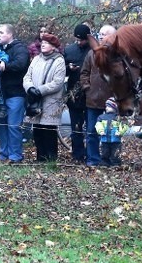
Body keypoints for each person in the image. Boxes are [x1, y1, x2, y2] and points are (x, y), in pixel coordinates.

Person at [23, 33, 66, 162]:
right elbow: (27, 77)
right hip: (35, 102)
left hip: (50, 102)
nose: (43, 44)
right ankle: (40, 158)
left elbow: (57, 83)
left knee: (49, 131)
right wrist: (30, 88)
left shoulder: (59, 61)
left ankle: (51, 160)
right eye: (42, 42)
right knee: (37, 131)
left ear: (53, 47)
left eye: (46, 43)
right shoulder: (36, 59)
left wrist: (40, 91)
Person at [79, 24, 117, 167]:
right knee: (92, 132)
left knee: (112, 134)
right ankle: (93, 160)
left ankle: (110, 160)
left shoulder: (118, 54)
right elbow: (84, 73)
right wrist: (87, 88)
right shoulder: (91, 53)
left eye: (104, 34)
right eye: (100, 34)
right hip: (93, 100)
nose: (101, 36)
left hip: (112, 102)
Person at [0, 24, 30, 163]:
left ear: (10, 34)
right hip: (1, 95)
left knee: (13, 126)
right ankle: (4, 155)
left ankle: (15, 156)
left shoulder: (20, 49)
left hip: (16, 93)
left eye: (1, 32)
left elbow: (21, 64)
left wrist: (5, 66)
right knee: (1, 125)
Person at [63, 23, 90, 163]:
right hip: (74, 95)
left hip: (91, 95)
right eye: (77, 40)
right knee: (76, 128)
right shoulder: (69, 50)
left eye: (82, 40)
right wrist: (69, 68)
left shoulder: (94, 50)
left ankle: (91, 154)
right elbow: (61, 70)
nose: (79, 43)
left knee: (91, 128)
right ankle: (77, 155)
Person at [95, 98, 129, 167]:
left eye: (109, 106)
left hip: (116, 140)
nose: (106, 108)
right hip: (105, 140)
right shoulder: (101, 117)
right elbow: (98, 124)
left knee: (115, 153)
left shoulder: (118, 118)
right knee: (105, 152)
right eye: (106, 106)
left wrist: (120, 132)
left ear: (114, 107)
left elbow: (124, 126)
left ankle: (116, 164)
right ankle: (105, 163)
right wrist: (100, 131)